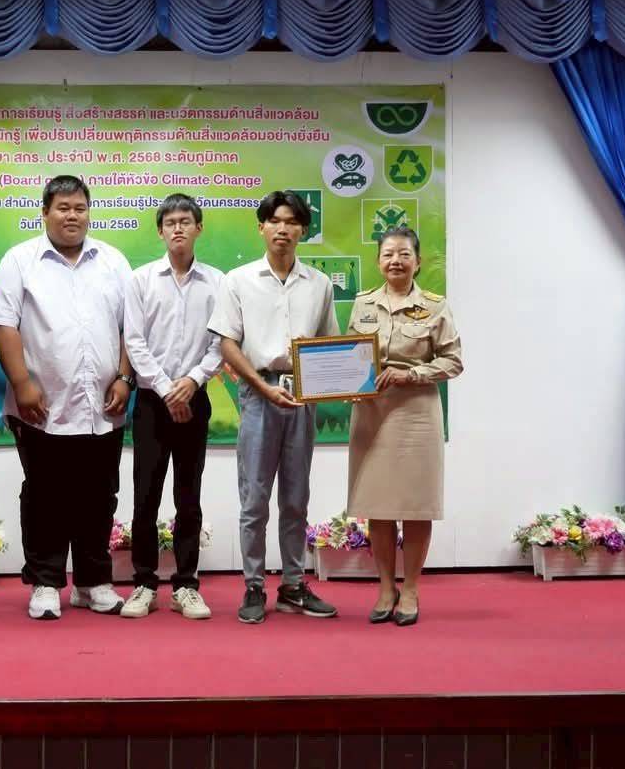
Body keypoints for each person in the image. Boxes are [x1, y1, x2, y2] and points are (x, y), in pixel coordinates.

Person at [0, 175, 134, 620]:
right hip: (40, 406)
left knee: (99, 495)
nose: (72, 216)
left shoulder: (113, 261)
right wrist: (21, 382)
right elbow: (2, 323)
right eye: (63, 208)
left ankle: (93, 582)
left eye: (80, 208)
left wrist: (124, 377)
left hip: (103, 406)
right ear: (45, 212)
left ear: (89, 212)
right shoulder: (20, 260)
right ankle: (46, 582)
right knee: (45, 496)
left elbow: (132, 327)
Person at [208, 190, 339, 624]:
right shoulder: (238, 280)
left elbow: (328, 344)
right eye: (275, 221)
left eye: (292, 222)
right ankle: (253, 585)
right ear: (261, 227)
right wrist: (263, 390)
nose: (283, 229)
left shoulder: (319, 284)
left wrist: (337, 382)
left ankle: (294, 586)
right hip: (258, 393)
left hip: (302, 395)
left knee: (296, 498)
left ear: (303, 230)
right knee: (255, 499)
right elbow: (227, 343)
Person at [347, 227, 463, 626]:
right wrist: (340, 382)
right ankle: (385, 588)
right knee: (377, 506)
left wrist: (411, 374)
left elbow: (453, 361)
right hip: (371, 414)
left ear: (418, 261)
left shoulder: (435, 306)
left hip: (415, 414)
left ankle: (410, 588)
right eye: (388, 254)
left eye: (403, 254)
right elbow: (350, 356)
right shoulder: (362, 304)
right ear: (378, 260)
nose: (395, 260)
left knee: (414, 506)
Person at [121, 193, 222, 620]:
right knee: (145, 496)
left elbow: (222, 341)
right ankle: (144, 583)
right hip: (151, 403)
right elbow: (134, 341)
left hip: (195, 400)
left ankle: (185, 585)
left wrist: (192, 382)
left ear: (199, 228)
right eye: (170, 222)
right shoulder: (141, 280)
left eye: (185, 221)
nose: (178, 228)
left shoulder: (218, 282)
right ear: (160, 231)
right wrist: (167, 390)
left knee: (188, 496)